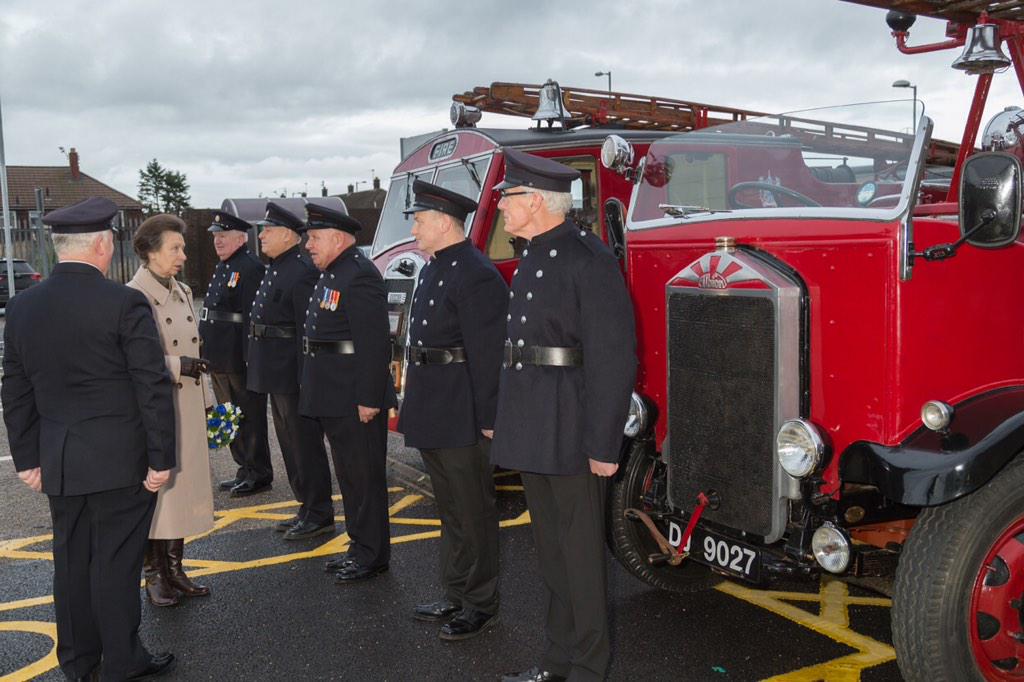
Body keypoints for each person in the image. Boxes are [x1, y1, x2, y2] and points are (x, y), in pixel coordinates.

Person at [2, 197, 177, 680]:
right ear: (102, 245)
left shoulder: (22, 306)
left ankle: (79, 662)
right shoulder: (124, 302)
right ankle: (122, 661)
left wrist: (26, 459)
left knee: (72, 563)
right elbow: (151, 384)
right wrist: (161, 458)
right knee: (116, 565)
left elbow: (14, 390)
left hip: (59, 461)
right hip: (121, 463)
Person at [489, 150, 637, 682]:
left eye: (507, 197)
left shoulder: (586, 257)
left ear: (534, 201)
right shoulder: (533, 253)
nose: (501, 207)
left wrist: (604, 444)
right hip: (534, 422)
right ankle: (555, 662)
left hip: (573, 428)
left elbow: (613, 355)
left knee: (581, 561)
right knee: (551, 555)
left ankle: (589, 668)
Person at [397, 180, 507, 641]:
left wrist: (489, 418)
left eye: (420, 221)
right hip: (433, 402)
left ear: (444, 223)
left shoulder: (476, 273)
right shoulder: (435, 268)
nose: (415, 229)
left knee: (473, 509)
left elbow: (487, 355)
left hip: (461, 408)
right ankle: (456, 589)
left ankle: (480, 602)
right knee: (449, 508)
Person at [300, 203, 396, 582]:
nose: (308, 245)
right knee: (350, 478)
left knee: (364, 479)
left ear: (338, 239)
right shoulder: (332, 274)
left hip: (355, 398)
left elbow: (373, 343)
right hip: (332, 394)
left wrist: (370, 398)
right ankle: (359, 546)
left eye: (315, 238)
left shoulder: (358, 276)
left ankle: (372, 555)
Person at [127, 214, 215, 608]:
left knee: (181, 492)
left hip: (188, 404)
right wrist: (178, 366)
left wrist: (210, 402)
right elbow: (130, 360)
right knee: (159, 493)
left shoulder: (181, 290)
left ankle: (175, 569)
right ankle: (153, 575)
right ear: (149, 251)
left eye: (182, 247)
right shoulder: (133, 296)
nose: (183, 254)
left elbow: (196, 350)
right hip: (158, 405)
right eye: (174, 248)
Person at [248, 202, 334, 540]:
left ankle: (319, 511)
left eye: (268, 230)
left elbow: (306, 330)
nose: (262, 235)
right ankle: (306, 506)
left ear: (287, 235)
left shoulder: (301, 271)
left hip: (293, 374)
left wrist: (306, 377)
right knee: (289, 444)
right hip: (275, 371)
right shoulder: (277, 268)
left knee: (304, 445)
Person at [199, 211, 272, 497]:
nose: (218, 241)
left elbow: (251, 318)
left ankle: (259, 472)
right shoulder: (224, 266)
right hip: (218, 357)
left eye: (223, 236)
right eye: (216, 237)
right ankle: (243, 468)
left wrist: (249, 357)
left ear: (241, 238)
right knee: (227, 416)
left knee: (248, 417)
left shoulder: (250, 267)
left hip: (237, 357)